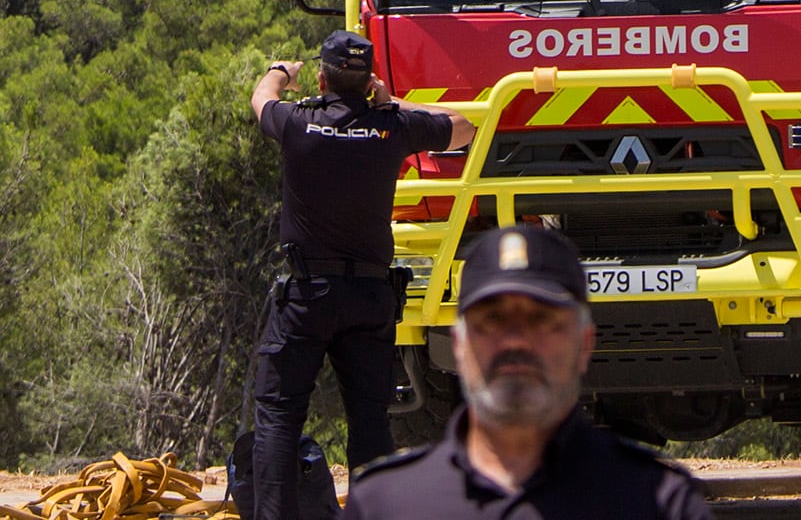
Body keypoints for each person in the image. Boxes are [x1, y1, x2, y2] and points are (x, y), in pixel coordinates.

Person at [246, 31, 476, 520]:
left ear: (324, 77)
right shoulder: (392, 126)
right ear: (368, 79)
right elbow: (464, 127)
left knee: (279, 419)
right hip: (370, 296)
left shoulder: (297, 123)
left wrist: (281, 73)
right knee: (370, 423)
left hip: (307, 297)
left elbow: (261, 100)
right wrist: (394, 101)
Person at [343, 224, 711, 520]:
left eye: (541, 319)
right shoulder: (385, 505)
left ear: (584, 342)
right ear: (458, 343)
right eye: (493, 319)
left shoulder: (657, 502)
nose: (515, 341)